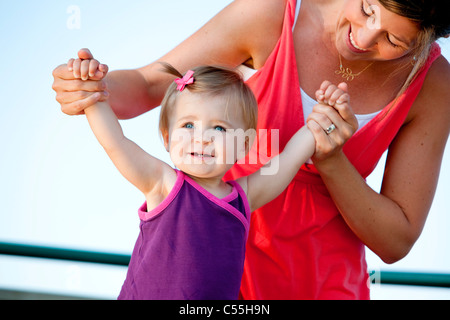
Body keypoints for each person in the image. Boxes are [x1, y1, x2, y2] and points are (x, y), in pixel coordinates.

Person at [52, 0, 450, 299]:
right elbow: (154, 83)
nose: (363, 38)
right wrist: (90, 90)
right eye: (366, 7)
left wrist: (330, 158)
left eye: (395, 40)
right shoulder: (272, 13)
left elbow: (395, 240)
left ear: (430, 36)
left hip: (327, 288)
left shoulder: (434, 85)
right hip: (226, 289)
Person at [67, 59, 325, 299]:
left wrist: (320, 124)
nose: (202, 137)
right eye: (188, 125)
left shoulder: (242, 198)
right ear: (167, 137)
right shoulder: (163, 183)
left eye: (219, 128)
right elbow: (115, 141)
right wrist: (92, 95)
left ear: (243, 146)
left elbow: (287, 160)